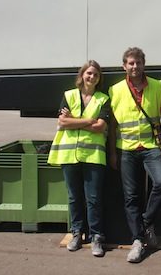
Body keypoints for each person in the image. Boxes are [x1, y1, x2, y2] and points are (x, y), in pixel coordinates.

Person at [108, 47, 161, 263]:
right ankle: (137, 241)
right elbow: (112, 125)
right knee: (131, 197)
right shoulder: (115, 90)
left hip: (151, 147)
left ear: (143, 64)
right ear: (124, 66)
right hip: (126, 149)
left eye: (138, 62)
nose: (134, 66)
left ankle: (145, 222)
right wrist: (112, 153)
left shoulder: (157, 86)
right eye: (130, 63)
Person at [47, 60, 110, 257]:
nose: (91, 77)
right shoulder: (69, 95)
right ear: (82, 75)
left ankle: (96, 237)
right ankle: (77, 233)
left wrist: (74, 120)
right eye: (89, 73)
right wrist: (89, 120)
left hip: (93, 156)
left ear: (99, 79)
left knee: (93, 198)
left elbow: (100, 127)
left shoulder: (103, 99)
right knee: (74, 198)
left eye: (95, 75)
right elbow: (62, 121)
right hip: (69, 155)